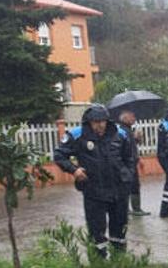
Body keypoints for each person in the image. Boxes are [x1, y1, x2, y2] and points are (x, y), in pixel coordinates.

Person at [54, 105, 135, 256]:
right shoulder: (77, 135)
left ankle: (119, 262)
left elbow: (129, 158)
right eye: (96, 122)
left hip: (119, 191)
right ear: (89, 122)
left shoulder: (120, 134)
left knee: (119, 231)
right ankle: (99, 265)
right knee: (96, 231)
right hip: (94, 192)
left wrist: (128, 176)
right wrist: (74, 170)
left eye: (102, 121)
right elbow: (59, 155)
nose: (100, 125)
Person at [116, 110, 150, 216]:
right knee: (130, 185)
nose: (134, 118)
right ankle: (133, 209)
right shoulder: (122, 131)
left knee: (132, 185)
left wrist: (136, 139)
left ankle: (132, 208)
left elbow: (131, 146)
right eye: (132, 116)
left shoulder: (128, 130)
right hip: (127, 163)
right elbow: (125, 148)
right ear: (125, 118)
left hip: (131, 162)